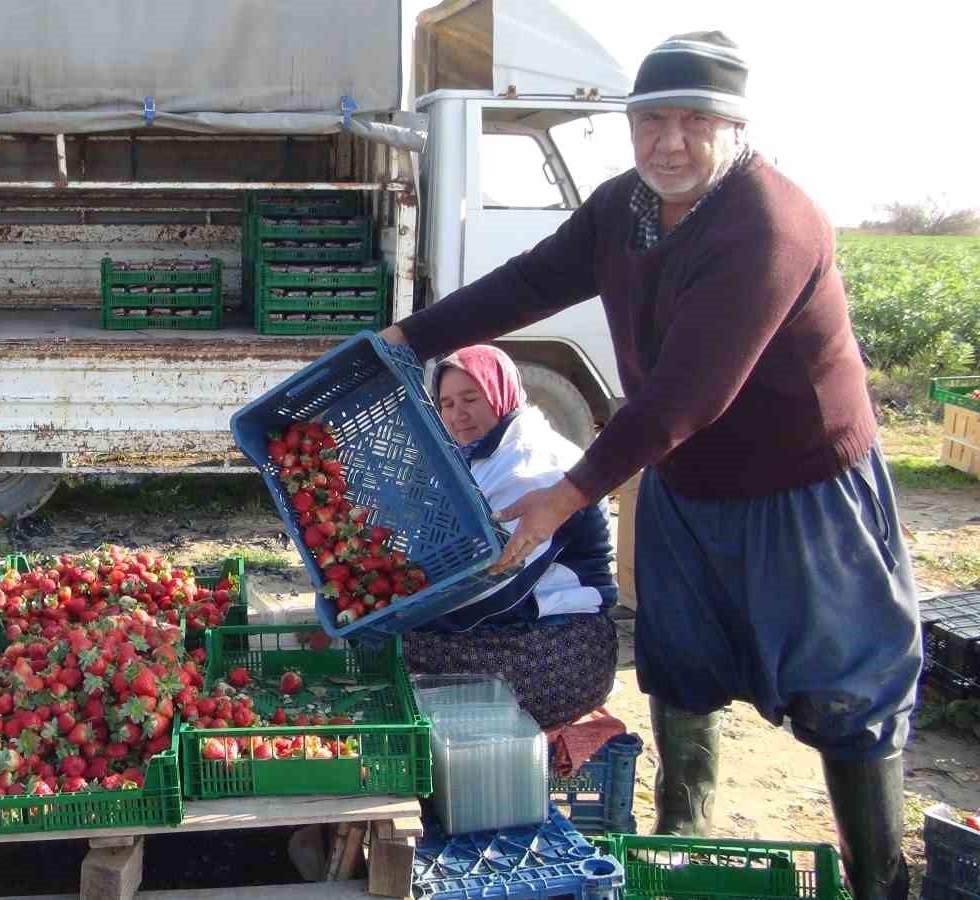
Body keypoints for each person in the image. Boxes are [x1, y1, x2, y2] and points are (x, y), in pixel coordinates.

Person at [380, 32, 919, 900]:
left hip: (803, 492)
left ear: (736, 128)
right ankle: (680, 847)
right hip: (688, 483)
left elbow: (683, 399)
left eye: (694, 122)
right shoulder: (624, 208)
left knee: (845, 692)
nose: (669, 141)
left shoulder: (766, 224)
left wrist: (564, 497)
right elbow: (528, 282)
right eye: (651, 120)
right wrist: (406, 340)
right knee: (682, 664)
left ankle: (880, 880)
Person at [403, 345, 618, 729]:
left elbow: (490, 588)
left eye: (472, 398)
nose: (458, 415)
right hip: (517, 627)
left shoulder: (532, 464)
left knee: (393, 653)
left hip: (560, 651)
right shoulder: (487, 453)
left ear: (501, 392)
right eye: (447, 404)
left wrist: (401, 613)